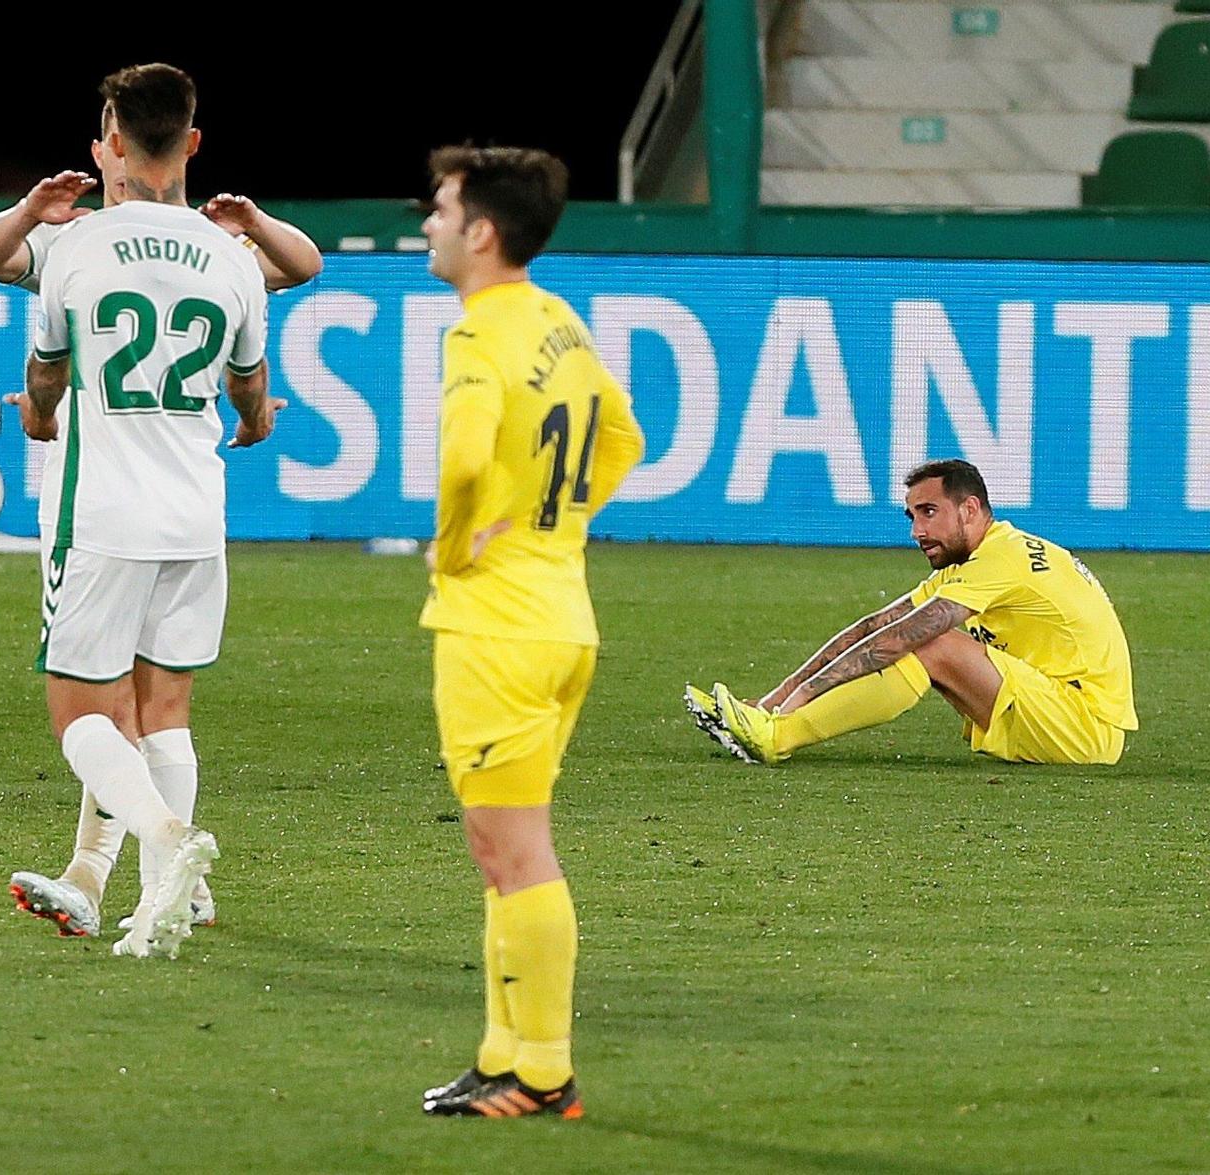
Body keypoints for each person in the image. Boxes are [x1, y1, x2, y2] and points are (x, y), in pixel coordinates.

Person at [0, 77, 320, 940]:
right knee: (160, 710)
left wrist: (43, 420)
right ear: (192, 143)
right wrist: (251, 424)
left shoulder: (79, 246)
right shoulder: (230, 255)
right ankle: (146, 887)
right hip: (196, 514)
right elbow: (257, 370)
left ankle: (169, 839)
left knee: (84, 713)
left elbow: (38, 358)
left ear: (109, 145)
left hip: (100, 512)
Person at [414, 146, 645, 1118]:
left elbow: (466, 458)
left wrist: (458, 544)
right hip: (561, 614)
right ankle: (501, 1055)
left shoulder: (477, 337)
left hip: (497, 627)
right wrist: (554, 526)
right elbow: (625, 435)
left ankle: (543, 1071)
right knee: (498, 849)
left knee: (517, 851)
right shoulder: (558, 321)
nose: (425, 223)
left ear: (481, 231)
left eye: (438, 209)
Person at [684, 459, 1137, 768]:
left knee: (930, 643)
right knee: (911, 635)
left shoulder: (1003, 559)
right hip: (1055, 707)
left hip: (1086, 726)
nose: (918, 530)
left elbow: (903, 640)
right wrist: (771, 700)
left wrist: (792, 708)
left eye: (929, 512)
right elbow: (874, 627)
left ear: (970, 509)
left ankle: (778, 738)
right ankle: (765, 721)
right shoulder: (975, 560)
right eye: (911, 516)